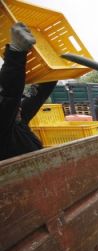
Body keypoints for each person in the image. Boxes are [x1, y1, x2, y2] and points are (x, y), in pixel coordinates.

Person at [0, 22, 57, 161]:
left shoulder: (19, 122)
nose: (19, 107)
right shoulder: (3, 131)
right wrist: (15, 53)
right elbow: (9, 96)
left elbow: (38, 96)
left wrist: (54, 67)